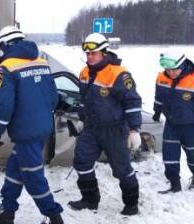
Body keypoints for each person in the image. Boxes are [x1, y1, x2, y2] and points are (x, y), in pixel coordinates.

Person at [0, 26, 63, 224]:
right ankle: (8, 213)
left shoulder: (7, 67)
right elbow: (53, 98)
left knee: (33, 177)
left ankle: (54, 216)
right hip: (42, 128)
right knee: (14, 170)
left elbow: (4, 106)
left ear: (5, 44)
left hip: (26, 133)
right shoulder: (41, 62)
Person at [68, 33, 142, 215]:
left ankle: (131, 204)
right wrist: (82, 118)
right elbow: (85, 100)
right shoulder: (84, 73)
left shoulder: (119, 74)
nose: (89, 57)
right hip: (92, 129)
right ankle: (90, 200)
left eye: (93, 53)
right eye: (87, 54)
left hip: (115, 130)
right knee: (82, 162)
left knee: (122, 169)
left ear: (103, 52)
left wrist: (134, 130)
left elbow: (132, 102)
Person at [153, 51, 194, 193]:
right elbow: (158, 97)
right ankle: (175, 185)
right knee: (169, 156)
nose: (170, 73)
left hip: (191, 126)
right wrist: (157, 112)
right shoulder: (161, 77)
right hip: (171, 124)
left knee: (192, 155)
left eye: (173, 69)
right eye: (167, 69)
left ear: (182, 65)